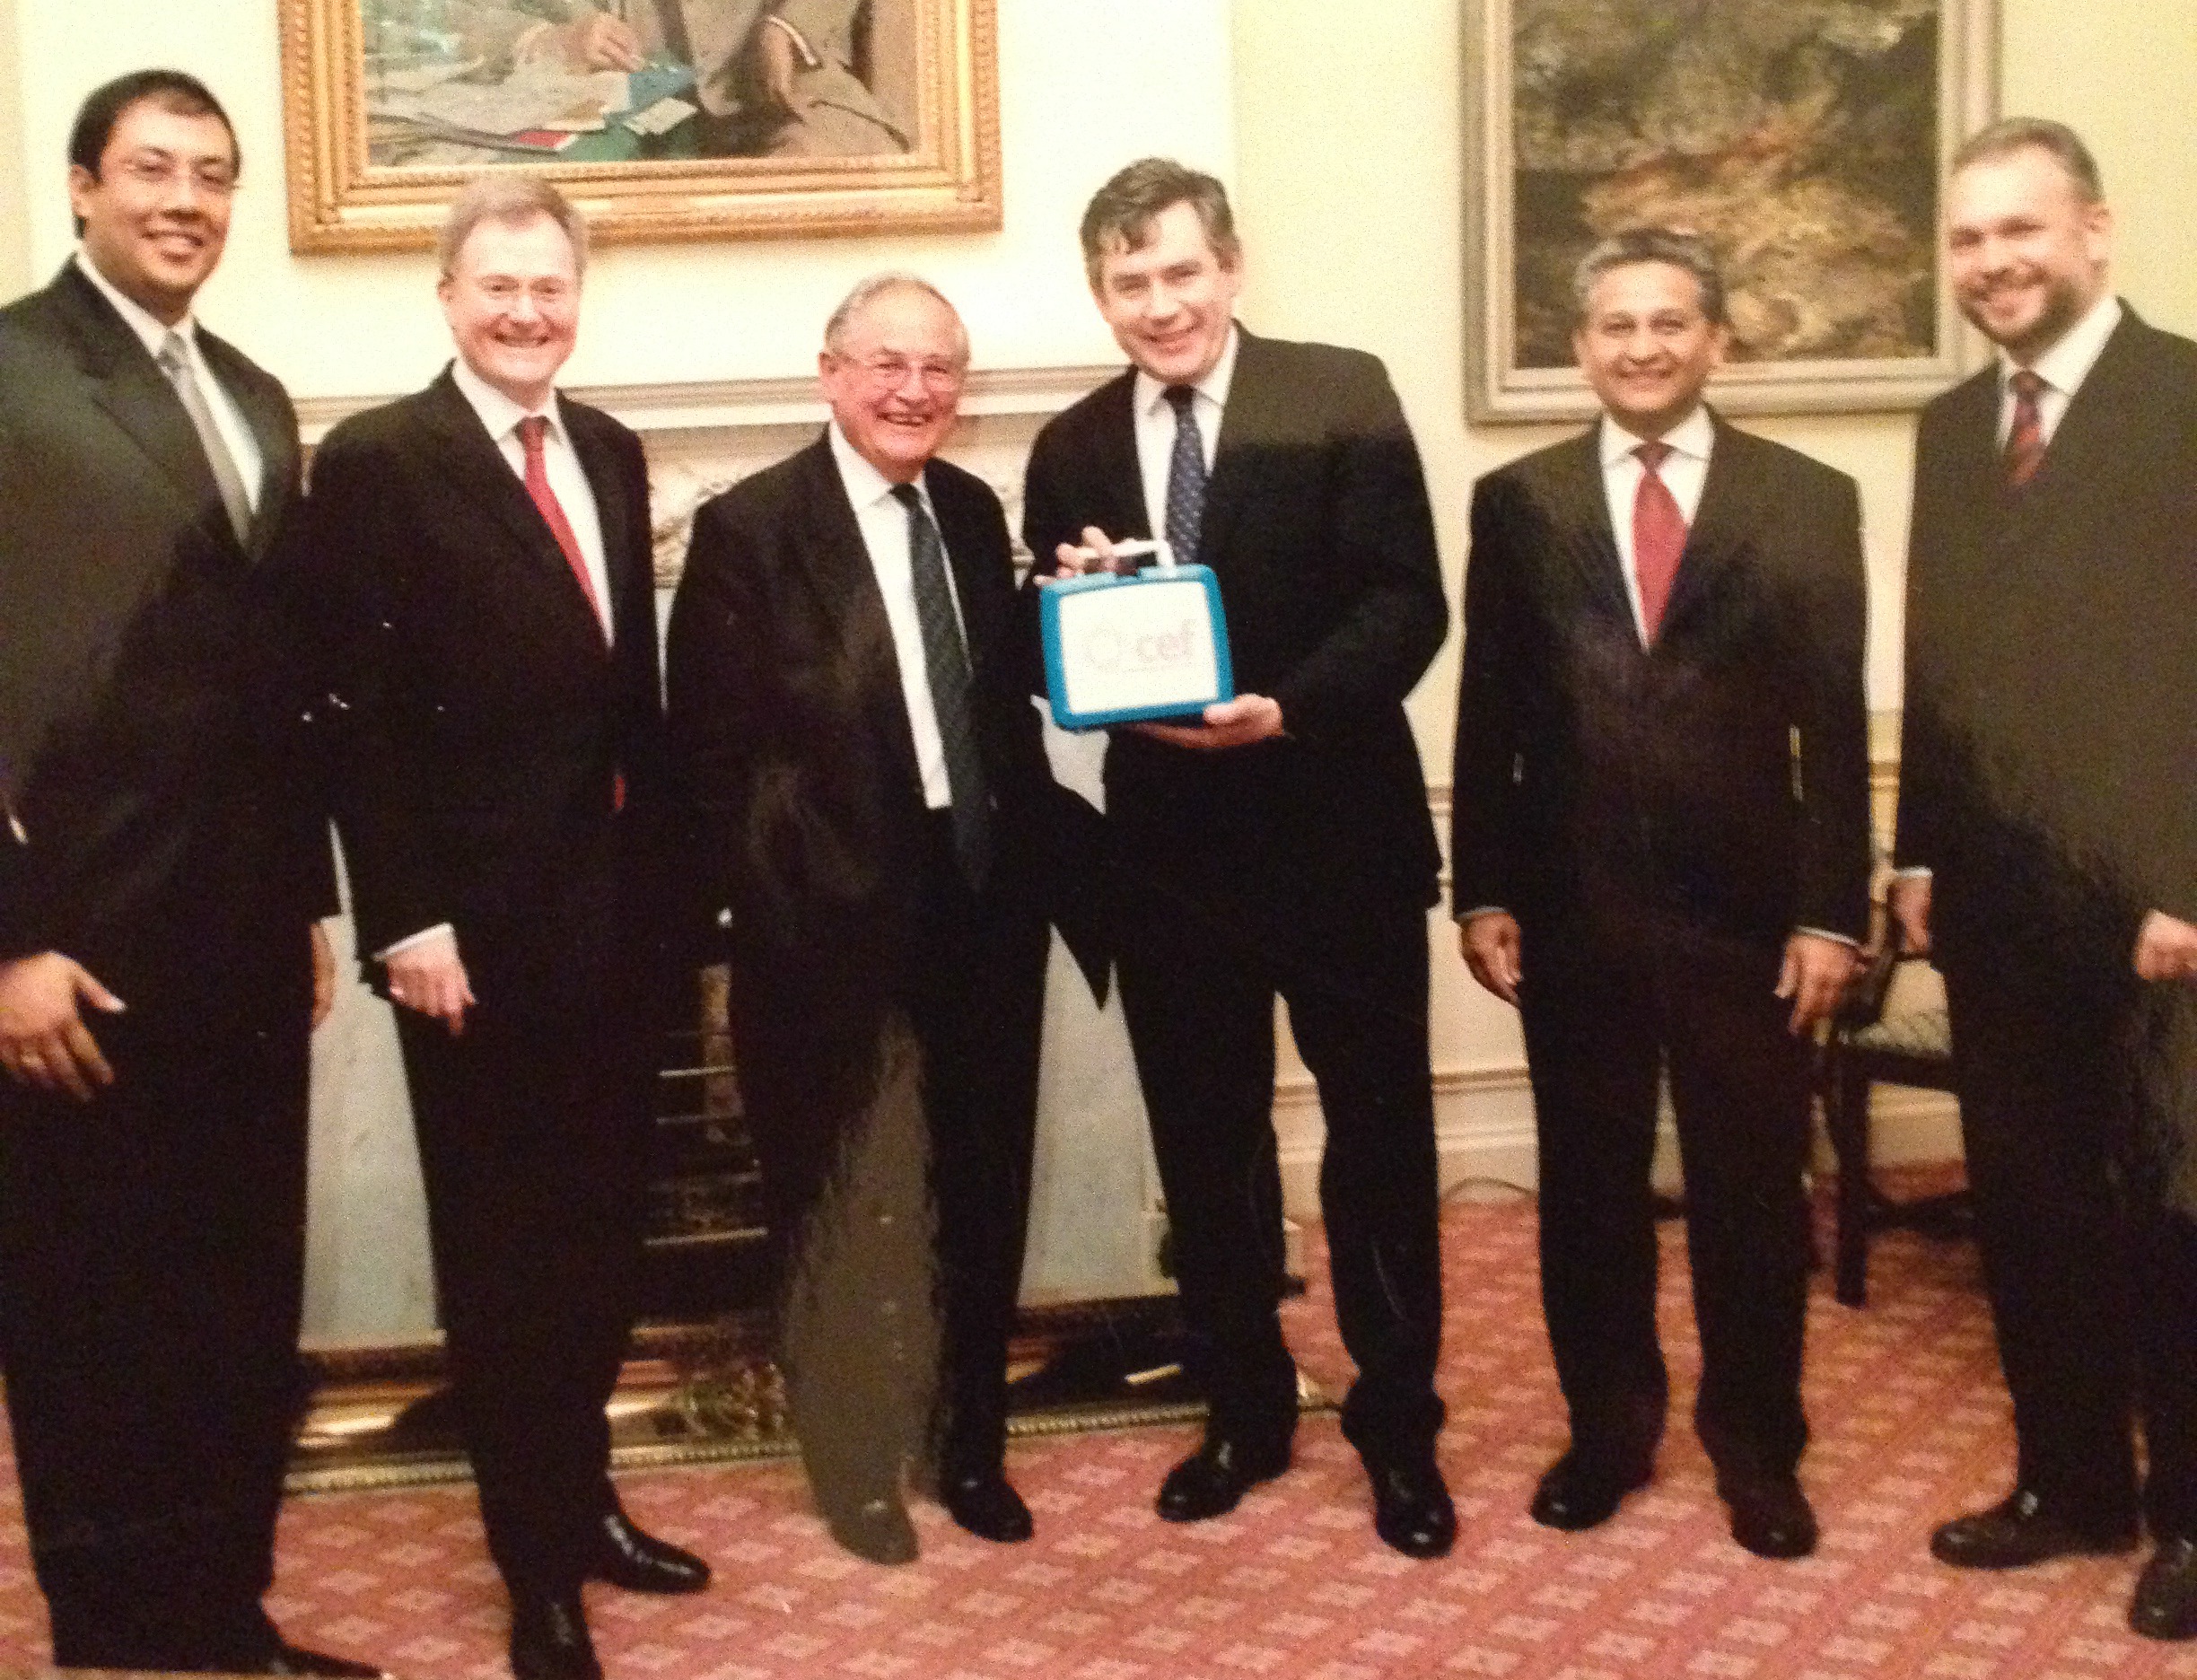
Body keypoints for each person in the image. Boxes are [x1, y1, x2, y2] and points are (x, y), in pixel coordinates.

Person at [0, 69, 381, 1676]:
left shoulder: (251, 387)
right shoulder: (11, 373)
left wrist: (303, 895)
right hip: (74, 951)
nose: (186, 200)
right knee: (92, 1315)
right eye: (152, 169)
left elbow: (267, 679)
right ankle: (116, 1642)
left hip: (237, 939)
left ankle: (225, 1618)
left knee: (237, 1304)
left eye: (213, 175)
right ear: (82, 186)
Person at [1022, 158, 1456, 1559]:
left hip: (1341, 840)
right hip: (1170, 862)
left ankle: (1397, 1428)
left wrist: (1289, 709)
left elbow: (1410, 603)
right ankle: (1246, 1410)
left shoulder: (1342, 389)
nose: (1161, 305)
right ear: (1101, 294)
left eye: (1181, 272)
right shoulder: (1071, 445)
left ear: (1231, 265)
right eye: (1130, 282)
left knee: (1380, 1146)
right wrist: (1071, 609)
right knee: (1208, 1151)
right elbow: (1056, 657)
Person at [310, 176, 707, 1680]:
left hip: (616, 928)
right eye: (499, 287)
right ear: (447, 294)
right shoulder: (377, 462)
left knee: (605, 1242)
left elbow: (628, 701)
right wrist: (404, 915)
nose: (527, 311)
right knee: (503, 1261)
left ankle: (585, 1499)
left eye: (549, 285)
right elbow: (353, 723)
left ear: (577, 293)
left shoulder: (603, 448)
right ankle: (534, 1570)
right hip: (466, 944)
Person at [1451, 227, 1869, 1561]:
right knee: (1587, 1191)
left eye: (1670, 323)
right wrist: (1484, 891)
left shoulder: (1807, 497)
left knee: (1753, 1197)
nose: (1642, 346)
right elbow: (1491, 711)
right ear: (1581, 348)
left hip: (1751, 922)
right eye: (1616, 325)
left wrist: (1829, 911)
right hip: (1574, 913)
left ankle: (1758, 1450)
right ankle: (1610, 1433)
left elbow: (1839, 728)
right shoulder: (1517, 503)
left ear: (1718, 341)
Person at [668, 274, 1085, 1564]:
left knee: (978, 1186)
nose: (915, 392)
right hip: (823, 930)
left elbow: (1005, 711)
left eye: (941, 370)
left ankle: (967, 1446)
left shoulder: (968, 514)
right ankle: (853, 1467)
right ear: (831, 371)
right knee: (838, 1199)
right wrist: (772, 904)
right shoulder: (748, 528)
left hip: (978, 903)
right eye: (889, 364)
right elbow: (708, 758)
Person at [1890, 117, 2197, 1639]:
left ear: (2093, 230)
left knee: (2174, 1218)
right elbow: (1940, 665)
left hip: (2161, 911)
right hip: (1998, 906)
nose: (1992, 263)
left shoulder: (2187, 399)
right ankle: (2068, 1481)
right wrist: (1920, 853)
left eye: (2019, 230)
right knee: (2028, 1208)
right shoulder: (1951, 427)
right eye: (1966, 239)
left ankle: (2192, 1520)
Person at [440, 0, 905, 156]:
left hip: (785, 98)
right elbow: (450, 17)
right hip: (601, 128)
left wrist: (787, 28)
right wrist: (556, 38)